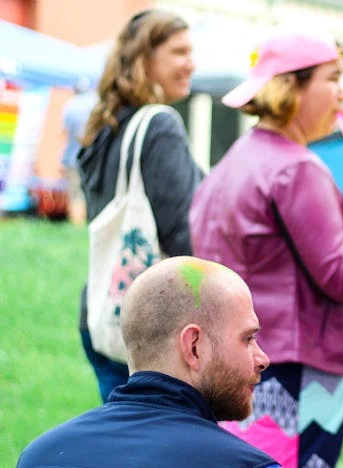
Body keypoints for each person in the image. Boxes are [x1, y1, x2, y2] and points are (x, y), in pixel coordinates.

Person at [189, 26, 343, 468]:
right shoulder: (296, 169)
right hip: (295, 370)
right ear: (291, 87)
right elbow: (340, 275)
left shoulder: (234, 161)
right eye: (333, 78)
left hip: (237, 358)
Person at [17, 257, 281, 468]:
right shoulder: (248, 464)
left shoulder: (39, 457)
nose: (263, 359)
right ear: (193, 346)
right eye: (248, 339)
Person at [77, 9, 203, 403]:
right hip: (154, 327)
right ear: (144, 60)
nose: (191, 64)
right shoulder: (160, 124)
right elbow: (183, 233)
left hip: (103, 310)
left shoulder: (105, 125)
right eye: (179, 52)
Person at [60, 78, 98, 224]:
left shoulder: (70, 105)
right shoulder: (95, 103)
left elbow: (64, 132)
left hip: (73, 157)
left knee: (76, 193)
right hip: (93, 156)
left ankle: (77, 224)